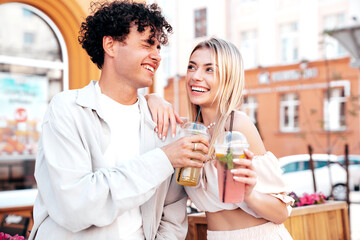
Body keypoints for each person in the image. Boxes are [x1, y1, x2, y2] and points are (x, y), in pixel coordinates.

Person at [29, 1, 209, 239]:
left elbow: (172, 211)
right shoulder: (68, 109)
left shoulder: (161, 121)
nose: (156, 56)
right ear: (110, 45)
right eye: (147, 43)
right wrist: (164, 158)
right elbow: (76, 206)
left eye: (158, 47)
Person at [182, 37, 294, 239]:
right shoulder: (190, 131)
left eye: (209, 69)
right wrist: (152, 98)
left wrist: (249, 194)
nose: (196, 76)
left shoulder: (235, 126)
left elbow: (281, 213)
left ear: (228, 78)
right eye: (192, 67)